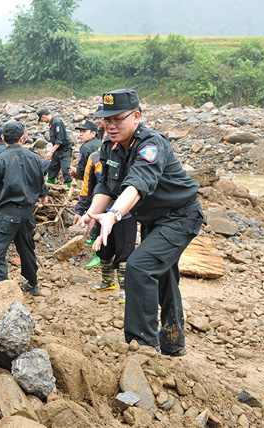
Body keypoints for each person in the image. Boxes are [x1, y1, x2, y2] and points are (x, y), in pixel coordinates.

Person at [78, 89, 203, 356]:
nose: (110, 126)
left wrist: (113, 215)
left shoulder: (150, 145)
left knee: (139, 267)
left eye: (117, 119)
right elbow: (106, 185)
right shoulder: (110, 146)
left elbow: (137, 185)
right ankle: (172, 341)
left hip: (180, 216)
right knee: (164, 274)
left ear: (136, 116)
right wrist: (93, 212)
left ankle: (142, 347)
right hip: (153, 219)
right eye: (105, 120)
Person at [0, 121, 48, 295]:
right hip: (27, 213)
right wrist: (43, 196)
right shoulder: (33, 158)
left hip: (7, 213)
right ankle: (32, 283)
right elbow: (40, 181)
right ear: (22, 138)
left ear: (2, 138)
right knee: (26, 248)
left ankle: (1, 293)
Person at [73, 148, 136, 302]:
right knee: (103, 249)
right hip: (102, 213)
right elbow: (89, 187)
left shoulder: (130, 155)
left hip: (125, 214)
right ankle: (107, 281)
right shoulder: (95, 158)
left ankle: (125, 289)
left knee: (124, 252)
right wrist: (83, 211)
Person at [70, 119, 104, 269]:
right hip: (108, 190)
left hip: (96, 189)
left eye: (84, 132)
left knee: (96, 220)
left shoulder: (86, 148)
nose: (80, 135)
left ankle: (99, 255)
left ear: (93, 133)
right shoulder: (102, 145)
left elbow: (84, 174)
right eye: (80, 132)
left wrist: (74, 173)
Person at [37, 108, 72, 187]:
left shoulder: (57, 123)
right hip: (57, 151)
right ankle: (49, 187)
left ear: (43, 116)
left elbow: (59, 140)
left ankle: (71, 190)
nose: (42, 121)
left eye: (41, 119)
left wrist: (51, 152)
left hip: (64, 150)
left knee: (65, 170)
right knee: (52, 168)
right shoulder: (51, 124)